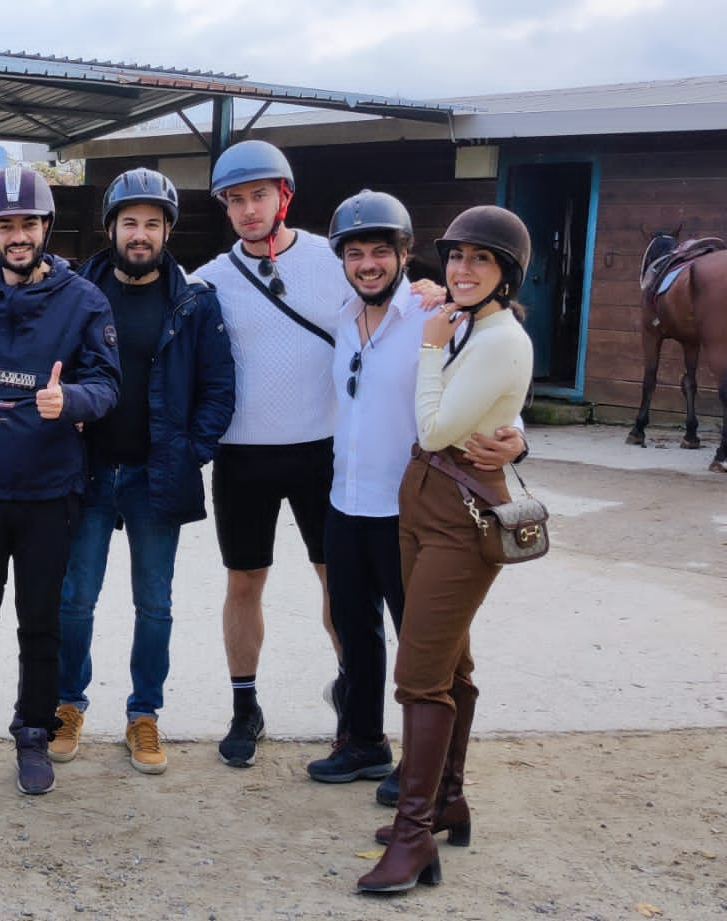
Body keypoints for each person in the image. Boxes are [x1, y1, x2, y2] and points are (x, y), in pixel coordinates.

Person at [309, 191, 525, 801]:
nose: (368, 263)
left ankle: (421, 766)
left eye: (381, 250)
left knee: (426, 643)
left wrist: (517, 440)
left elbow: (494, 391)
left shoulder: (440, 317)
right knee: (354, 629)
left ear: (405, 255)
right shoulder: (342, 315)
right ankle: (363, 741)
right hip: (345, 499)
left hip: (410, 509)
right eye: (355, 253)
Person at [0, 166, 120, 796]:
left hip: (48, 491)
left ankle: (32, 735)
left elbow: (109, 382)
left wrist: (77, 400)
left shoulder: (85, 301)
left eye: (28, 223)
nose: (18, 234)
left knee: (41, 621)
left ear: (45, 228)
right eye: (5, 225)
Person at [358, 206, 535, 894]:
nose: (462, 270)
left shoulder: (497, 339)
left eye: (479, 260)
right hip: (426, 496)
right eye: (456, 256)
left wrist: (431, 345)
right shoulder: (469, 320)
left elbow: (434, 427)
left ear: (506, 274)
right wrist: (442, 319)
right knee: (451, 662)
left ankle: (413, 837)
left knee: (419, 674)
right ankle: (446, 800)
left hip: (459, 509)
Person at [51, 169, 234, 775]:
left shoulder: (194, 302)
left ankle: (144, 715)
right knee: (76, 601)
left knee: (154, 604)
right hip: (89, 471)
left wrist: (191, 451)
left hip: (158, 475)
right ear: (111, 228)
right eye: (129, 222)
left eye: (152, 224)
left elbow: (218, 387)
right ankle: (67, 705)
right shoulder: (76, 292)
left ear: (167, 232)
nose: (140, 234)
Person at [193, 140, 344, 768]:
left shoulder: (334, 260)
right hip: (243, 454)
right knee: (243, 581)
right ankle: (244, 704)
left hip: (323, 447)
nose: (248, 209)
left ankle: (354, 696)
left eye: (259, 195)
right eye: (236, 200)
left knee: (338, 578)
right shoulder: (208, 280)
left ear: (284, 196)